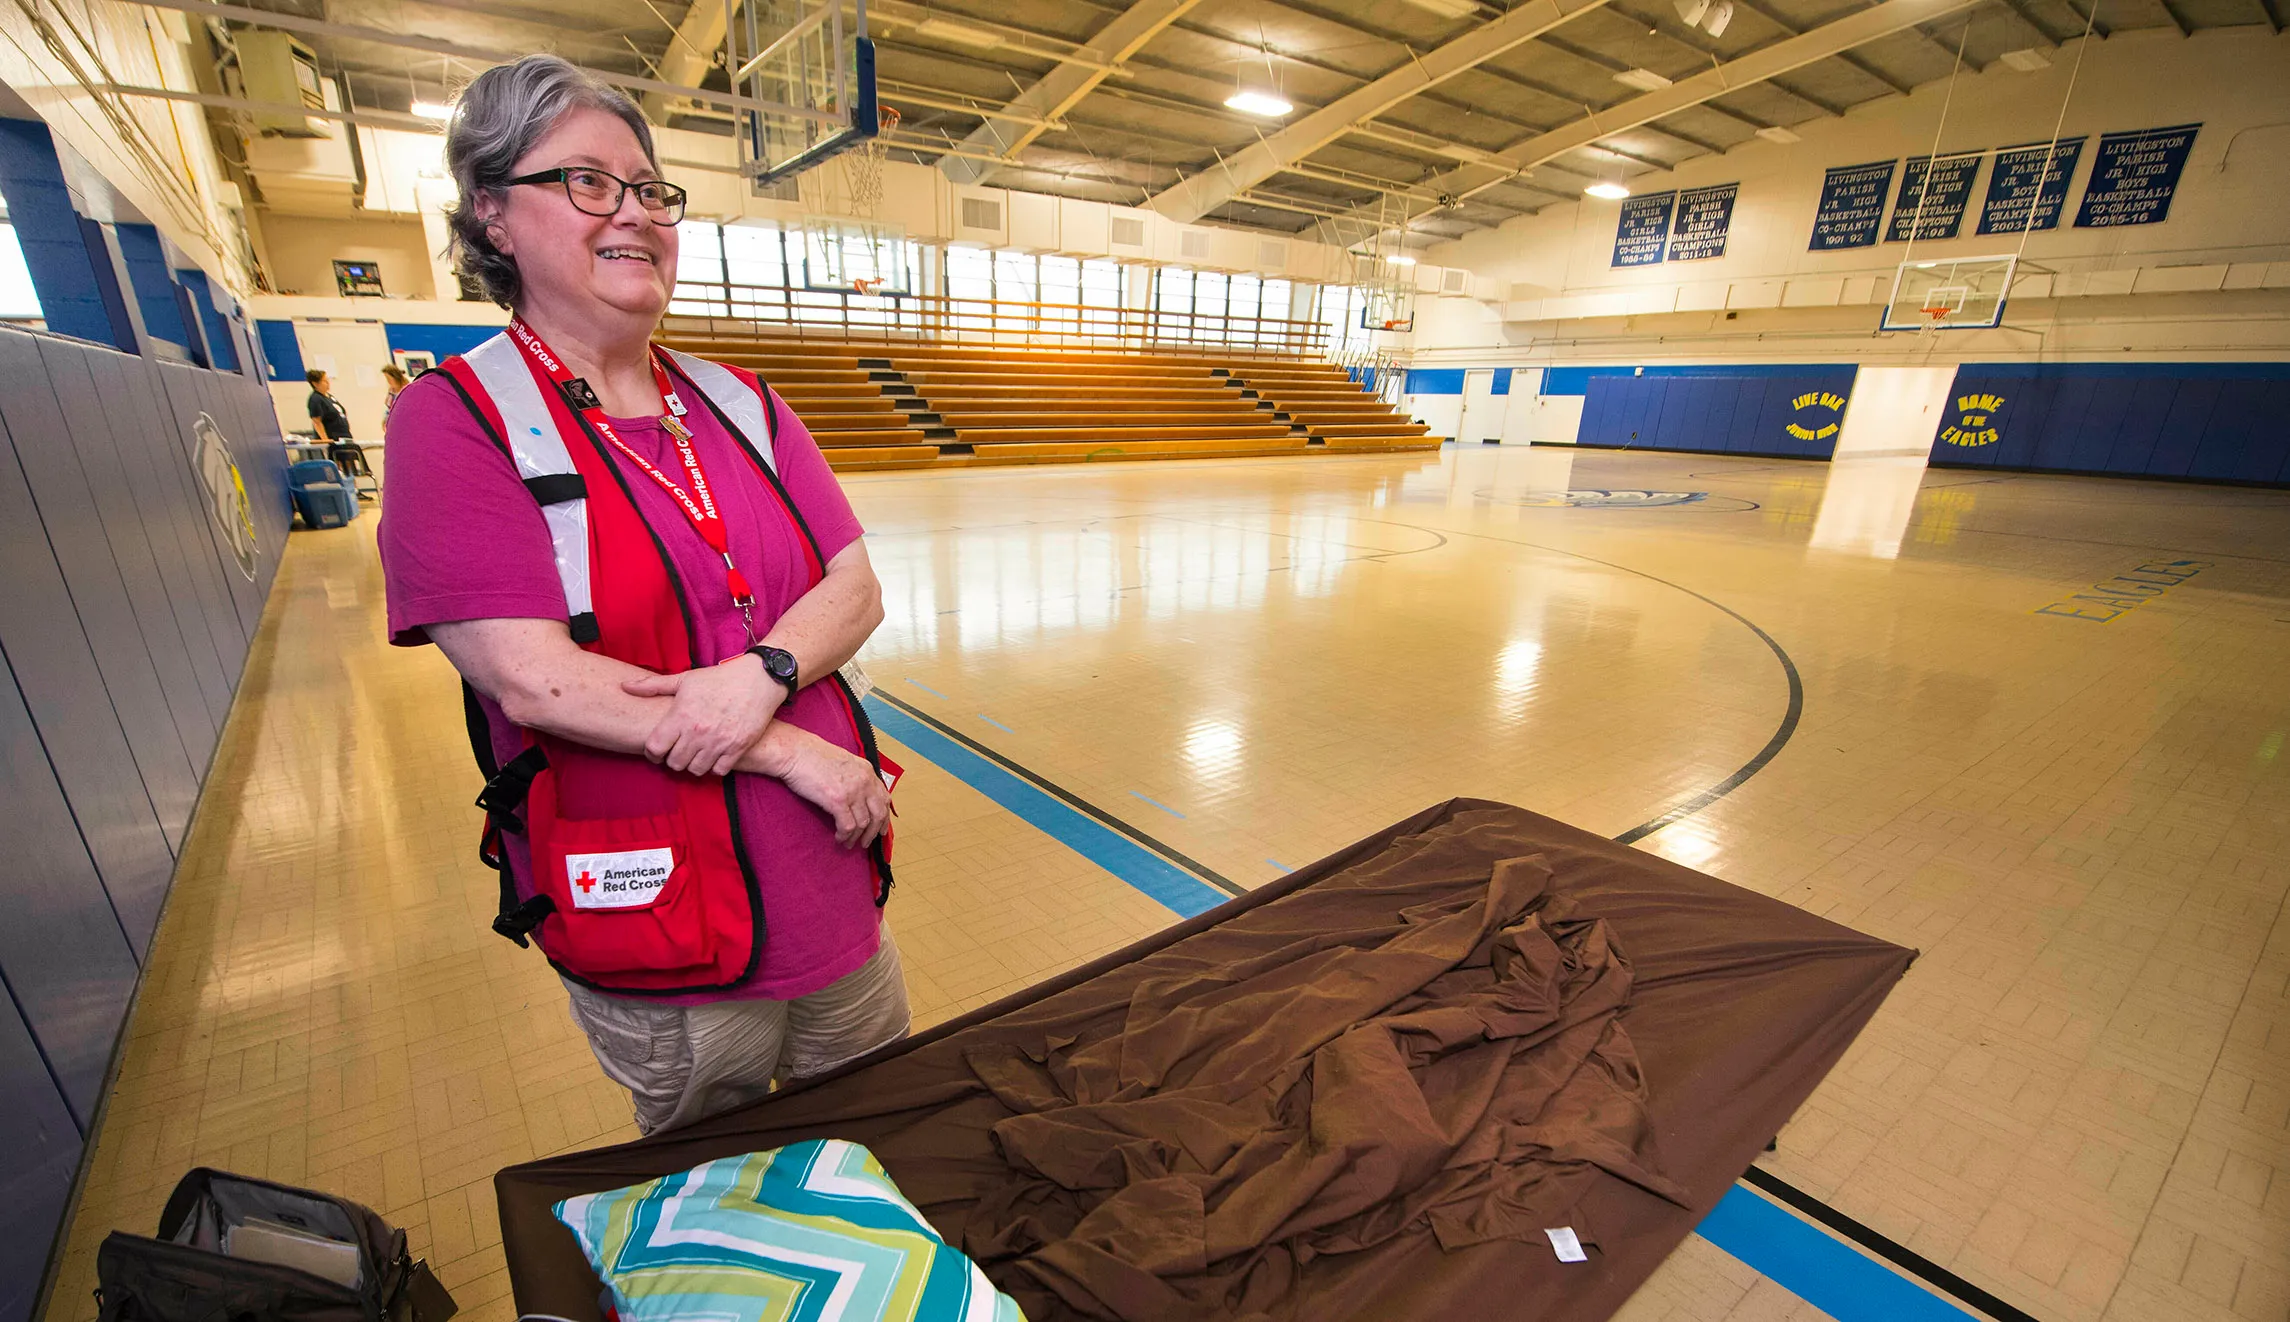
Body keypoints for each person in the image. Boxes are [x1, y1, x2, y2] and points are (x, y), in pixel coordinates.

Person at [376, 54, 907, 1135]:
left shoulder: (742, 403)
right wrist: (785, 743)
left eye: (650, 189)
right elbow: (532, 678)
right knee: (714, 1180)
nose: (634, 212)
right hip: (663, 919)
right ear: (493, 217)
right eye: (586, 182)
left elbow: (851, 585)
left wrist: (764, 669)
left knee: (883, 1132)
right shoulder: (455, 421)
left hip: (826, 881)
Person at [306, 369, 373, 497]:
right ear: (315, 383)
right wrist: (325, 440)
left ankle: (354, 491)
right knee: (339, 466)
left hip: (344, 436)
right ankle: (345, 493)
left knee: (349, 464)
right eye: (324, 381)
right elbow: (317, 421)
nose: (328, 383)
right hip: (333, 438)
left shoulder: (329, 397)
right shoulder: (315, 399)